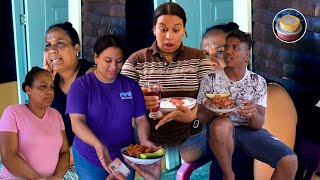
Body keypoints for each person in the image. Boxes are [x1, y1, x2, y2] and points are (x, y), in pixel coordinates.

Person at [196, 30, 298, 180]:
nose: (210, 61)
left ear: (246, 55)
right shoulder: (209, 83)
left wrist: (253, 114)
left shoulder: (269, 91)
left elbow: (271, 170)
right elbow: (190, 152)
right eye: (205, 54)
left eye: (218, 52)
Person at [121, 2, 213, 163]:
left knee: (191, 156)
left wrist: (192, 115)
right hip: (148, 130)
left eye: (176, 30)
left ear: (184, 30)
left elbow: (210, 97)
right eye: (163, 29)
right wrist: (137, 101)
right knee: (150, 164)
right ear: (154, 29)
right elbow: (119, 97)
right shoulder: (136, 60)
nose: (169, 36)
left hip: (191, 129)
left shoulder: (199, 58)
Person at [66, 34, 156, 180]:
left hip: (124, 154)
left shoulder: (130, 86)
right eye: (108, 60)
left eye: (119, 61)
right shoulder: (81, 86)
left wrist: (144, 141)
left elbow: (140, 120)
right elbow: (77, 123)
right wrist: (98, 146)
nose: (114, 67)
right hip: (91, 154)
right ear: (96, 57)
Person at [0, 66, 69, 179]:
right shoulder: (13, 113)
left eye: (52, 87)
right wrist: (37, 179)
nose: (49, 91)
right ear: (28, 89)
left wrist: (56, 177)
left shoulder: (56, 115)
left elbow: (64, 152)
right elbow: (8, 156)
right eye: (43, 86)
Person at [43, 22, 95, 165]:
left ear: (76, 48)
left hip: (86, 156)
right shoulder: (52, 79)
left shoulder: (90, 77)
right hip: (59, 153)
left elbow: (97, 129)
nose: (52, 50)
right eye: (48, 45)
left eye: (59, 43)